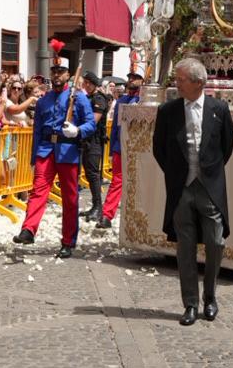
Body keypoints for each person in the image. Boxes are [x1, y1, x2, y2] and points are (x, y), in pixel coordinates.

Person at [152, 58, 233, 326]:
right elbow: (159, 149)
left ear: (198, 83)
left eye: (181, 79)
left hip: (210, 188)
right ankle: (190, 303)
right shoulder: (168, 111)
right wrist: (177, 175)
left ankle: (210, 297)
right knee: (185, 248)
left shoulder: (219, 109)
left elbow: (226, 147)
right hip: (181, 189)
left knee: (215, 242)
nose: (177, 83)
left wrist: (208, 172)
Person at [14, 59, 94, 258]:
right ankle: (28, 230)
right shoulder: (43, 100)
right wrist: (34, 157)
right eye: (54, 71)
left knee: (70, 198)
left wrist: (77, 130)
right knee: (38, 191)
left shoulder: (79, 98)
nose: (57, 75)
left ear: (68, 75)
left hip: (68, 151)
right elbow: (37, 130)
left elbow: (91, 123)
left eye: (61, 71)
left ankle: (68, 241)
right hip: (45, 149)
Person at [102, 71, 142, 225]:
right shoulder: (121, 101)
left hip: (139, 148)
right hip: (120, 146)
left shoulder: (144, 99)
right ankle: (107, 215)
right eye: (130, 78)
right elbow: (115, 128)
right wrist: (112, 149)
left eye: (136, 78)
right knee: (117, 181)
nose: (131, 80)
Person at [79, 72, 110, 225]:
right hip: (87, 141)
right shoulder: (90, 97)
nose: (85, 85)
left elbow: (94, 121)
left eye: (86, 83)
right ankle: (94, 206)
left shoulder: (98, 98)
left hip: (95, 140)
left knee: (93, 174)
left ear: (92, 83)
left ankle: (98, 207)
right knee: (90, 173)